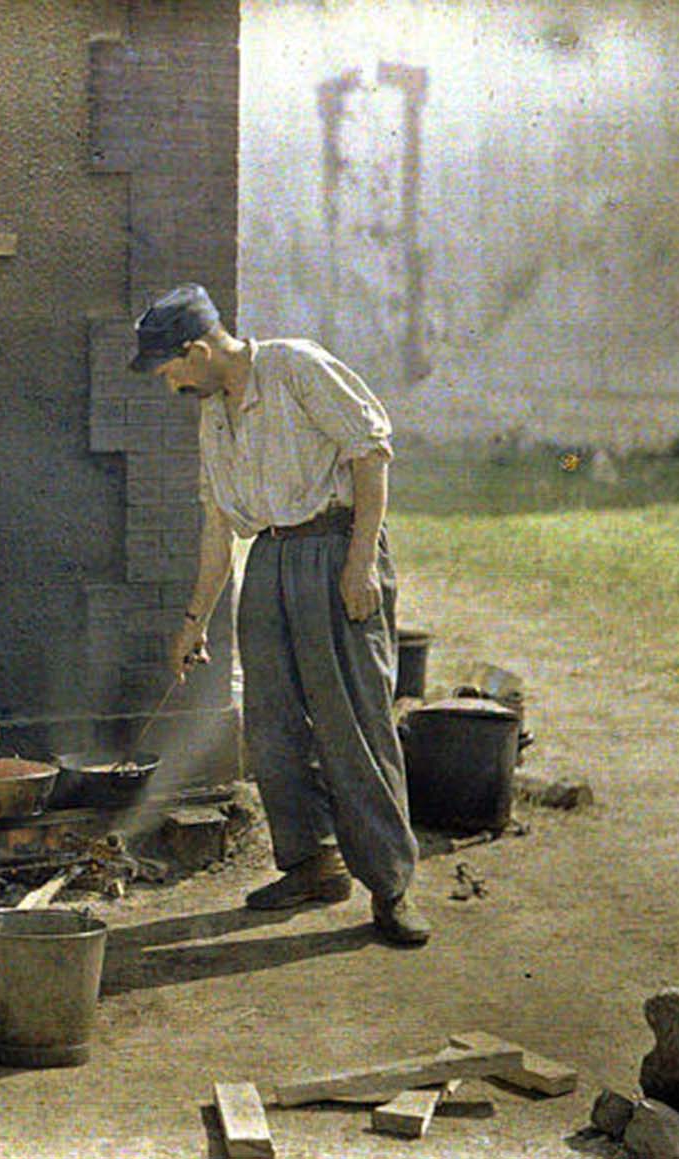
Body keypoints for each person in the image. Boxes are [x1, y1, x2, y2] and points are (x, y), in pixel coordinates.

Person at [129, 283, 430, 947]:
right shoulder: (213, 413)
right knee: (271, 725)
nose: (171, 383)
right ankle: (313, 863)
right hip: (269, 561)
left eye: (173, 368)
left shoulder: (295, 366)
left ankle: (392, 884)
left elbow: (371, 455)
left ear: (199, 349)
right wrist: (194, 619)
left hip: (334, 548)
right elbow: (217, 526)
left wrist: (358, 565)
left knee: (354, 720)